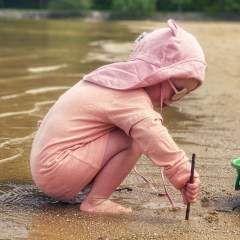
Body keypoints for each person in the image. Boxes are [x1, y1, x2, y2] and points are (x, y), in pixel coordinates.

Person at [30, 19, 206, 214]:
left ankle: (87, 189)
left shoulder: (111, 81)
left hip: (48, 166)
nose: (174, 101)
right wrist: (183, 174)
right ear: (158, 74)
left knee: (127, 130)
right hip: (58, 171)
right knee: (135, 139)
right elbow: (153, 135)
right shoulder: (130, 97)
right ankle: (95, 201)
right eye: (178, 91)